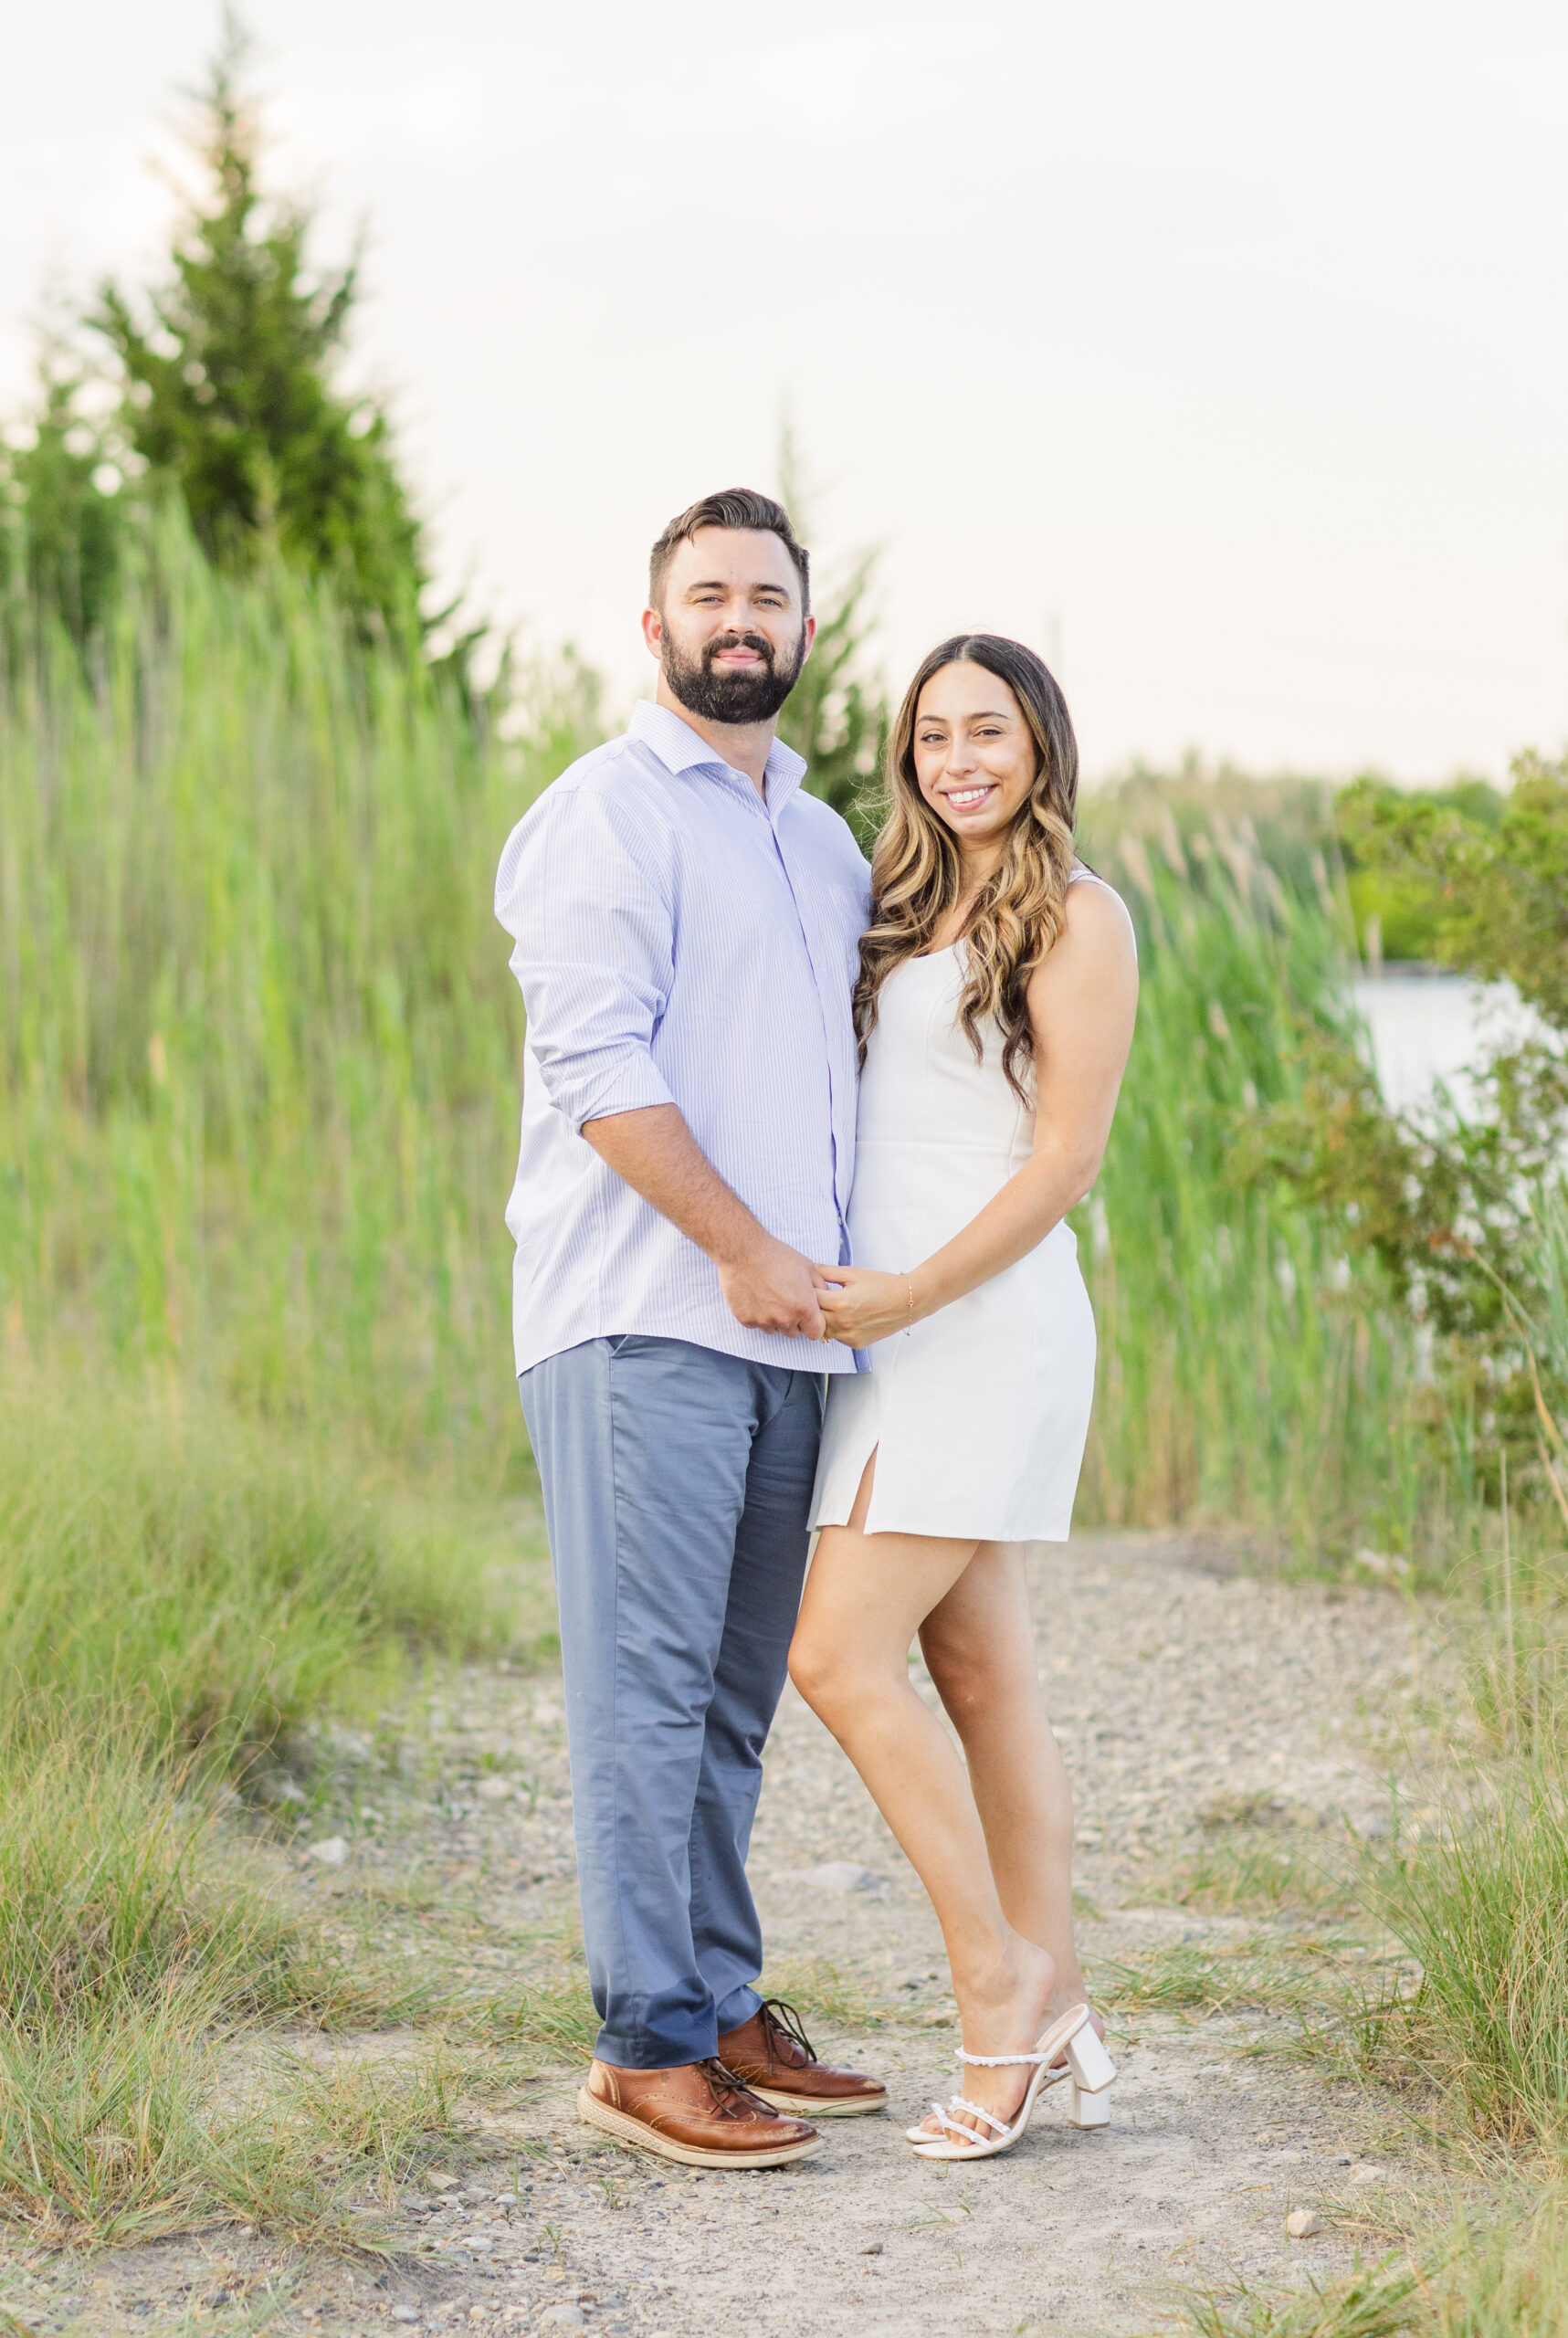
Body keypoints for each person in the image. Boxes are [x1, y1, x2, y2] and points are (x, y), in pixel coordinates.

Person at [494, 489, 887, 2169]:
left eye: (768, 597)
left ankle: (719, 2001)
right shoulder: (603, 814)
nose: (741, 620)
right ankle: (642, 2045)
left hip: (794, 1336)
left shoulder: (821, 837)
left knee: (732, 1698)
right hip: (645, 1313)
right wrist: (736, 1247)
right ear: (652, 628)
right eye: (708, 594)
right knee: (647, 1696)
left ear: (805, 630)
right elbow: (598, 1068)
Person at [787, 634, 1139, 2161]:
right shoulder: (894, 901)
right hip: (883, 1328)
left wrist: (916, 1295)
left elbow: (1063, 1159)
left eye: (984, 729)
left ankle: (994, 1987)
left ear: (1040, 744)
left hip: (979, 1325)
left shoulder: (1076, 913)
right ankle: (1049, 1995)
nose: (955, 759)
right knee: (981, 1677)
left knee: (832, 1657)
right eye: (929, 734)